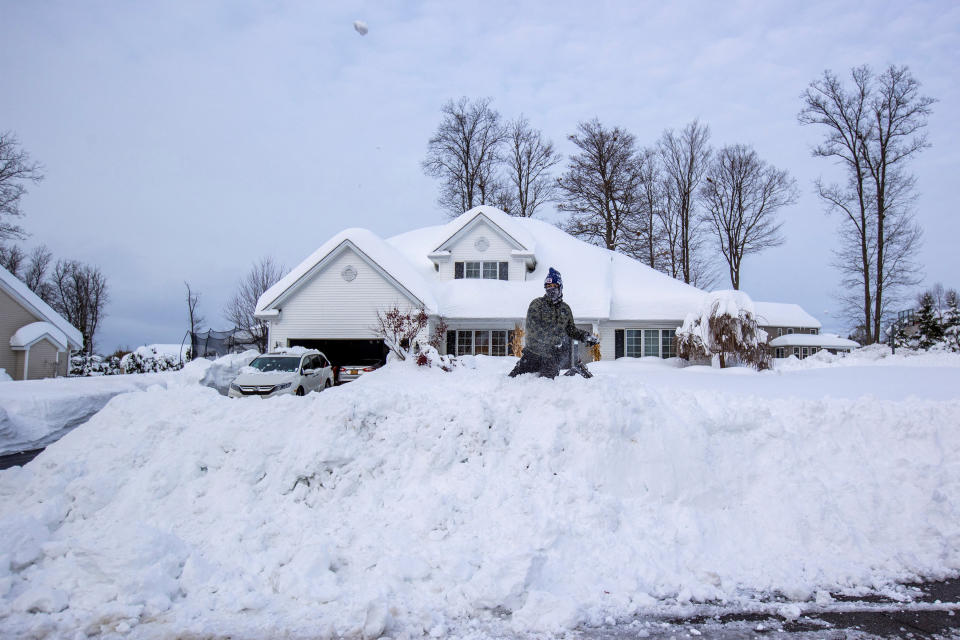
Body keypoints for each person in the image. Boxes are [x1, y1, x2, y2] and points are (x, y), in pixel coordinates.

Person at [509, 267, 599, 379]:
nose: (550, 289)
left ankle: (575, 371)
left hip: (552, 357)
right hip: (533, 354)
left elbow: (571, 330)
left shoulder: (565, 309)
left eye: (553, 286)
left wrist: (585, 336)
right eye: (547, 287)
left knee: (548, 386)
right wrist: (553, 340)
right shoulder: (537, 304)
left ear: (560, 287)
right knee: (512, 381)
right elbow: (533, 329)